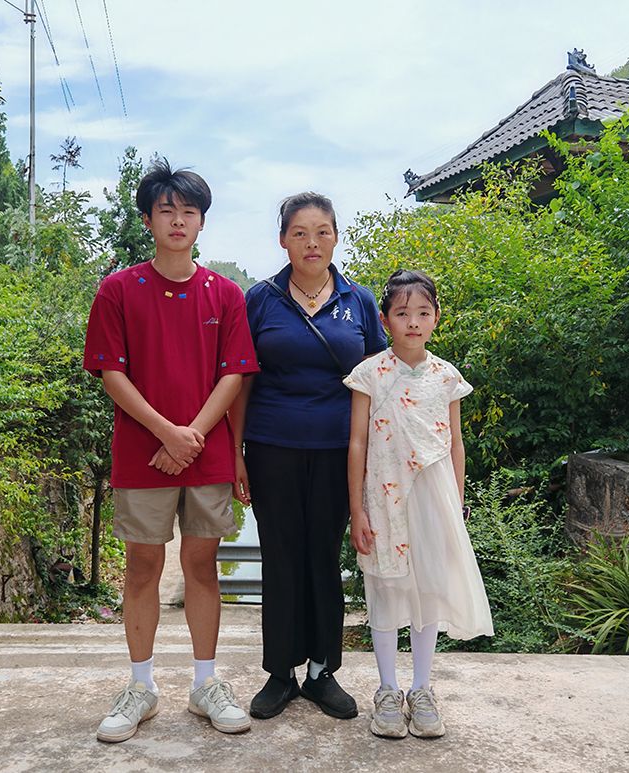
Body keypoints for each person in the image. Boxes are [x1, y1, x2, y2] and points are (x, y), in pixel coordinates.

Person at [83, 159, 258, 742]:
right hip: (142, 454)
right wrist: (167, 433)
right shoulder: (118, 290)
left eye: (188, 211)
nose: (177, 220)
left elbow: (234, 375)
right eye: (166, 211)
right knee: (142, 567)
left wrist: (190, 437)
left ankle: (206, 683)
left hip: (205, 454)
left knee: (202, 565)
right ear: (148, 219)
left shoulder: (225, 294)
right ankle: (141, 686)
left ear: (202, 221)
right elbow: (111, 373)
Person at [230, 192, 388, 721]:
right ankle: (281, 672)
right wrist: (236, 452)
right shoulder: (261, 299)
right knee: (281, 555)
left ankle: (322, 671)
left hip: (338, 450)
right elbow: (241, 380)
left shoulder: (358, 300)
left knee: (322, 555)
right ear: (283, 240)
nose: (312, 243)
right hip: (271, 445)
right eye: (299, 233)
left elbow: (377, 381)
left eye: (322, 232)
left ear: (336, 237)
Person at [345, 269, 493, 739]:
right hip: (383, 496)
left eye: (423, 313)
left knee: (428, 590)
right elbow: (357, 443)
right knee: (387, 590)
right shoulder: (370, 374)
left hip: (433, 499)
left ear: (436, 317)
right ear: (385, 319)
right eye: (402, 313)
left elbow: (456, 444)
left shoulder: (447, 376)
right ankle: (387, 690)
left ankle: (422, 689)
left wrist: (457, 505)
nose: (413, 322)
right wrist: (357, 510)